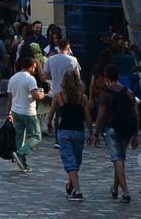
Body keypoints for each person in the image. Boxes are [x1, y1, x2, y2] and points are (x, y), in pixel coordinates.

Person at [92, 63, 138, 203]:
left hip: (112, 129)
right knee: (121, 158)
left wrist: (96, 133)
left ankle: (125, 192)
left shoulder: (106, 93)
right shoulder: (128, 92)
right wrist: (136, 134)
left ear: (106, 76)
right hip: (127, 129)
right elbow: (136, 114)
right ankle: (115, 188)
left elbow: (100, 116)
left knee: (117, 159)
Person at [7, 53, 45, 173]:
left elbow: (10, 97)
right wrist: (42, 94)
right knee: (36, 135)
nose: (34, 70)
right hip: (28, 111)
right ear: (29, 67)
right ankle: (20, 153)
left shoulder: (13, 78)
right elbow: (35, 96)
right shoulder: (30, 79)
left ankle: (22, 163)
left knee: (19, 136)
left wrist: (8, 113)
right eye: (34, 67)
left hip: (15, 110)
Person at [56, 70, 88, 201]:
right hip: (79, 131)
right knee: (76, 161)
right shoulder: (83, 97)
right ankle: (73, 186)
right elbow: (88, 117)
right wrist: (92, 133)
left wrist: (49, 125)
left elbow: (52, 113)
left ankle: (77, 190)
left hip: (64, 131)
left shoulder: (59, 96)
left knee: (71, 162)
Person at [45, 36, 79, 133]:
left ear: (58, 47)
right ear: (68, 47)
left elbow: (46, 76)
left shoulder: (50, 59)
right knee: (70, 114)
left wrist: (55, 76)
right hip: (71, 92)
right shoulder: (73, 60)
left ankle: (57, 137)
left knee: (58, 115)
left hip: (56, 91)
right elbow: (77, 77)